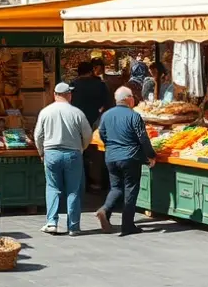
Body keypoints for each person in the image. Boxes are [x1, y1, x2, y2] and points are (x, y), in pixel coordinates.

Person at [34, 82, 93, 236]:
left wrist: (41, 152)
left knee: (52, 187)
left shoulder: (45, 112)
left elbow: (38, 135)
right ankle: (73, 226)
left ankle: (52, 222)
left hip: (51, 153)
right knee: (73, 190)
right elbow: (88, 134)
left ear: (55, 95)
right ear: (69, 95)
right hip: (73, 153)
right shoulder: (77, 113)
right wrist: (82, 148)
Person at [97, 86, 156, 236]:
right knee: (131, 188)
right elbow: (143, 138)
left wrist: (111, 146)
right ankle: (127, 224)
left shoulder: (106, 115)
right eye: (133, 97)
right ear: (128, 99)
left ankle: (105, 209)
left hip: (111, 157)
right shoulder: (133, 116)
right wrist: (151, 155)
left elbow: (102, 134)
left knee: (116, 188)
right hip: (130, 157)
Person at [71, 59, 114, 128]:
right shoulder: (100, 85)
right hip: (95, 120)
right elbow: (108, 103)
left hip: (76, 121)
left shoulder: (72, 85)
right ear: (91, 72)